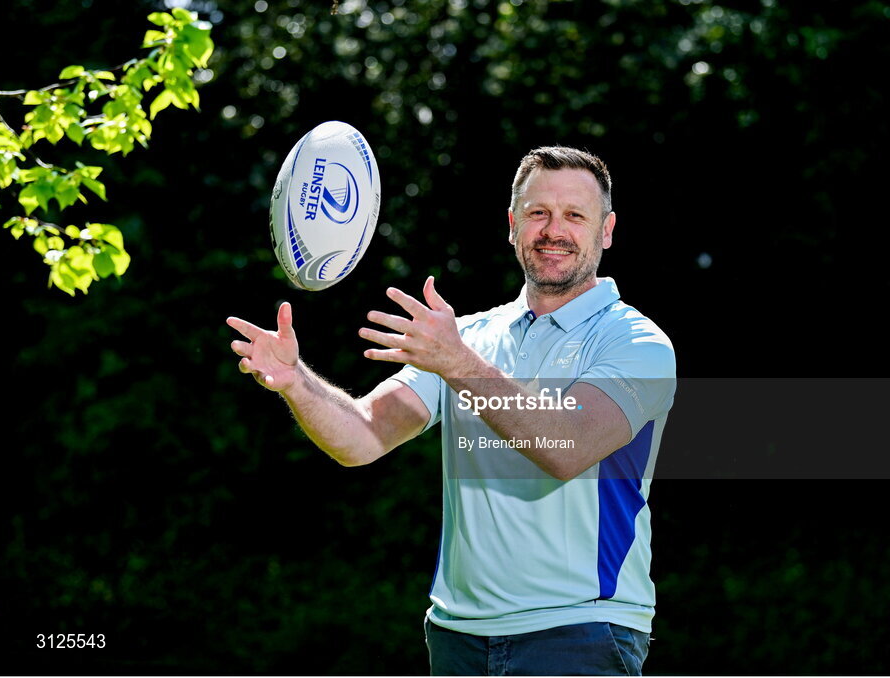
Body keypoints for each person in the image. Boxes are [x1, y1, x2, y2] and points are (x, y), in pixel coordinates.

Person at [227, 146, 676, 675]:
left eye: (575, 215)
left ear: (606, 230)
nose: (554, 230)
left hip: (579, 631)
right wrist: (295, 381)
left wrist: (457, 363)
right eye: (538, 213)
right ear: (512, 225)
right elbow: (364, 436)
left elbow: (567, 446)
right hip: (457, 636)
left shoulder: (637, 343)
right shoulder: (468, 339)